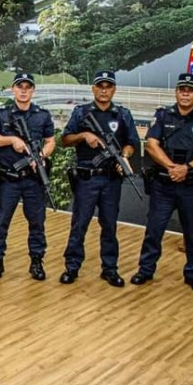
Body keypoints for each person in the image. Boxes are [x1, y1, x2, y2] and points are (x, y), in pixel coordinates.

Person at [131, 73, 193, 293]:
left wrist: (186, 169)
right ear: (176, 92)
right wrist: (172, 167)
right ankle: (146, 270)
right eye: (182, 90)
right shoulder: (163, 116)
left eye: (190, 90)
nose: (185, 94)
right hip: (164, 185)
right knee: (154, 230)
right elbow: (151, 145)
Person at [59, 70, 140, 287]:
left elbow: (131, 142)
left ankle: (110, 268)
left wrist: (124, 156)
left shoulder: (122, 114)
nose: (104, 90)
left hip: (111, 179)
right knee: (79, 224)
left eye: (108, 86)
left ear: (114, 89)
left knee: (110, 225)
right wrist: (84, 135)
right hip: (87, 179)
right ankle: (72, 267)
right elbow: (65, 140)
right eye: (100, 86)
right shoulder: (81, 113)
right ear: (94, 88)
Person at [0, 72, 55, 281]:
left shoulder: (42, 115)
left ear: (33, 90)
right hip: (9, 179)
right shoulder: (2, 114)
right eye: (20, 87)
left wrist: (41, 156)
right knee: (1, 222)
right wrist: (11, 140)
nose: (23, 91)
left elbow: (50, 141)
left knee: (37, 223)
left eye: (27, 87)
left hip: (33, 179)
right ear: (13, 89)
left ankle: (37, 262)